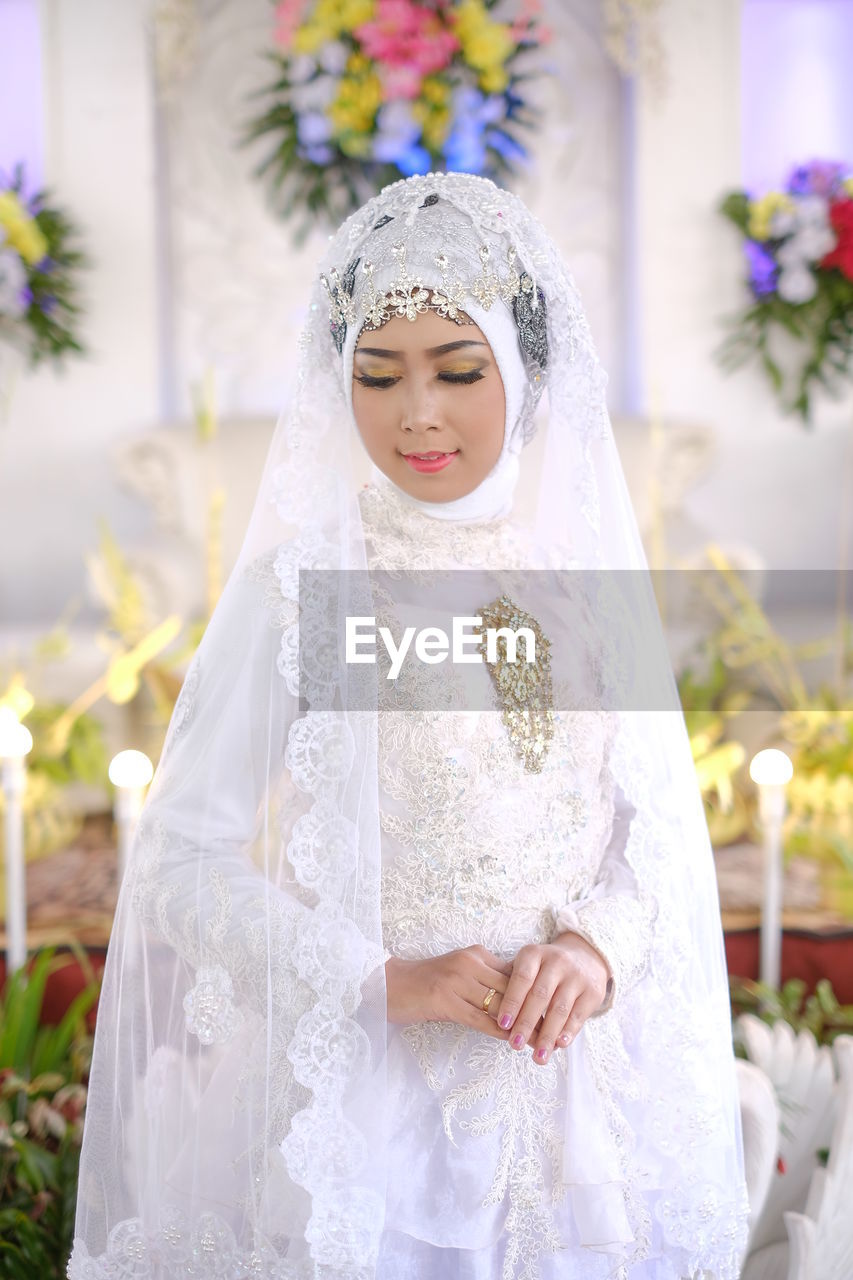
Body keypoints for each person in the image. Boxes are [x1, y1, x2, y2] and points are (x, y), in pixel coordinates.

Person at [68, 172, 749, 1280]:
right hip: (372, 1109)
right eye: (377, 375)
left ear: (523, 373)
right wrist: (371, 974)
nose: (416, 412)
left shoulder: (588, 587)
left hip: (581, 1111)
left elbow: (654, 840)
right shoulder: (302, 594)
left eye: (457, 371)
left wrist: (594, 948)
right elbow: (181, 858)